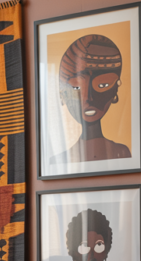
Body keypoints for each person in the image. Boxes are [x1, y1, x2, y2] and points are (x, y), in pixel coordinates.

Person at [52, 34, 131, 164]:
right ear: (63, 94)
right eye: (76, 88)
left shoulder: (122, 153)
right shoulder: (58, 162)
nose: (88, 98)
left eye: (102, 85)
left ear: (115, 89)